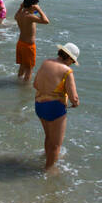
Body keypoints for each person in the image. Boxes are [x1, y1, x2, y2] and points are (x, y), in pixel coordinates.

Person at [34, 43, 80, 172]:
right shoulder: (67, 71)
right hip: (54, 107)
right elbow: (74, 98)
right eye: (73, 61)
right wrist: (75, 103)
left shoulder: (46, 62)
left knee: (48, 137)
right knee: (56, 145)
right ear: (70, 58)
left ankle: (46, 157)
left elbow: (36, 84)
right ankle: (49, 171)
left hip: (39, 105)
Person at [14, 0, 49, 83]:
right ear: (32, 6)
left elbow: (15, 17)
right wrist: (39, 10)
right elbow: (46, 21)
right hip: (28, 46)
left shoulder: (20, 15)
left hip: (20, 43)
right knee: (29, 69)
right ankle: (24, 88)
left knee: (22, 65)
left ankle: (18, 81)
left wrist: (21, 7)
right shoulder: (30, 17)